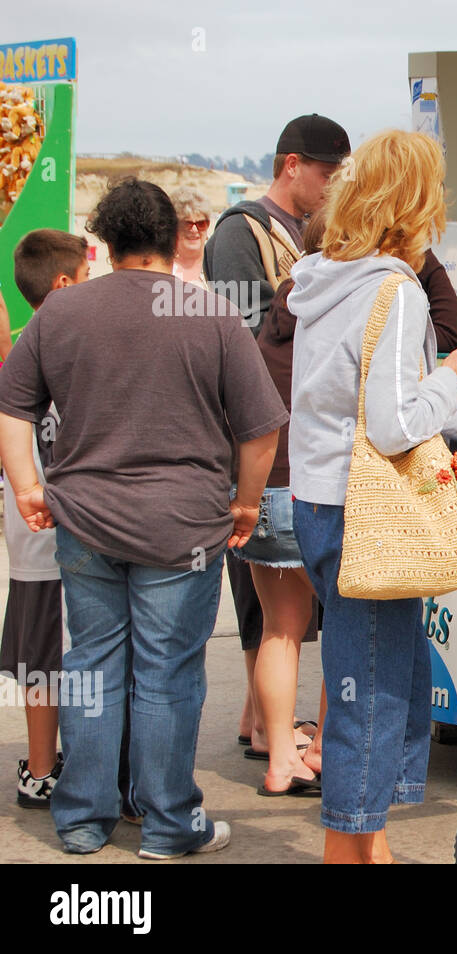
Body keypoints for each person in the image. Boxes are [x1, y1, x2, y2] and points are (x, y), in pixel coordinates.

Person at [0, 178, 286, 857]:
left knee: (91, 664)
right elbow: (261, 428)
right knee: (167, 673)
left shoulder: (58, 314)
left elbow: (12, 409)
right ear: (167, 238)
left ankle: (80, 821)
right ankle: (166, 826)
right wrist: (245, 503)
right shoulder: (212, 315)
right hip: (182, 527)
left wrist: (26, 487)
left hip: (84, 520)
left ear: (103, 241)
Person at [287, 129, 457, 864]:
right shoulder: (395, 291)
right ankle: (350, 851)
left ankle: (373, 850)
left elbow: (335, 401)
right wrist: (452, 377)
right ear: (416, 203)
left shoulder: (319, 280)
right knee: (373, 696)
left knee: (371, 680)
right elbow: (396, 423)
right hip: (370, 507)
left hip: (318, 497)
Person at [204, 113, 350, 763]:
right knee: (268, 595)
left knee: (282, 604)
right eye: (326, 173)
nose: (332, 185)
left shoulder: (301, 231)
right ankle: (269, 727)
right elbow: (244, 339)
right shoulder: (242, 231)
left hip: (298, 437)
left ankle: (258, 721)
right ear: (291, 164)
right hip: (262, 439)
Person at [234, 212, 331, 796]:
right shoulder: (348, 307)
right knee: (344, 624)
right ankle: (321, 751)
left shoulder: (278, 316)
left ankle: (278, 762)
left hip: (264, 486)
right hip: (317, 489)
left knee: (280, 630)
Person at [3, 230, 88, 809]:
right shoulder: (61, 350)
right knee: (57, 657)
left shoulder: (22, 348)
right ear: (62, 285)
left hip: (40, 537)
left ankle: (43, 766)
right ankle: (42, 767)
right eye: (85, 280)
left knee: (46, 659)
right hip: (55, 536)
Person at [169, 186, 210, 287]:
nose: (194, 230)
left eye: (201, 224)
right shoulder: (163, 268)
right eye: (187, 224)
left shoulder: (217, 265)